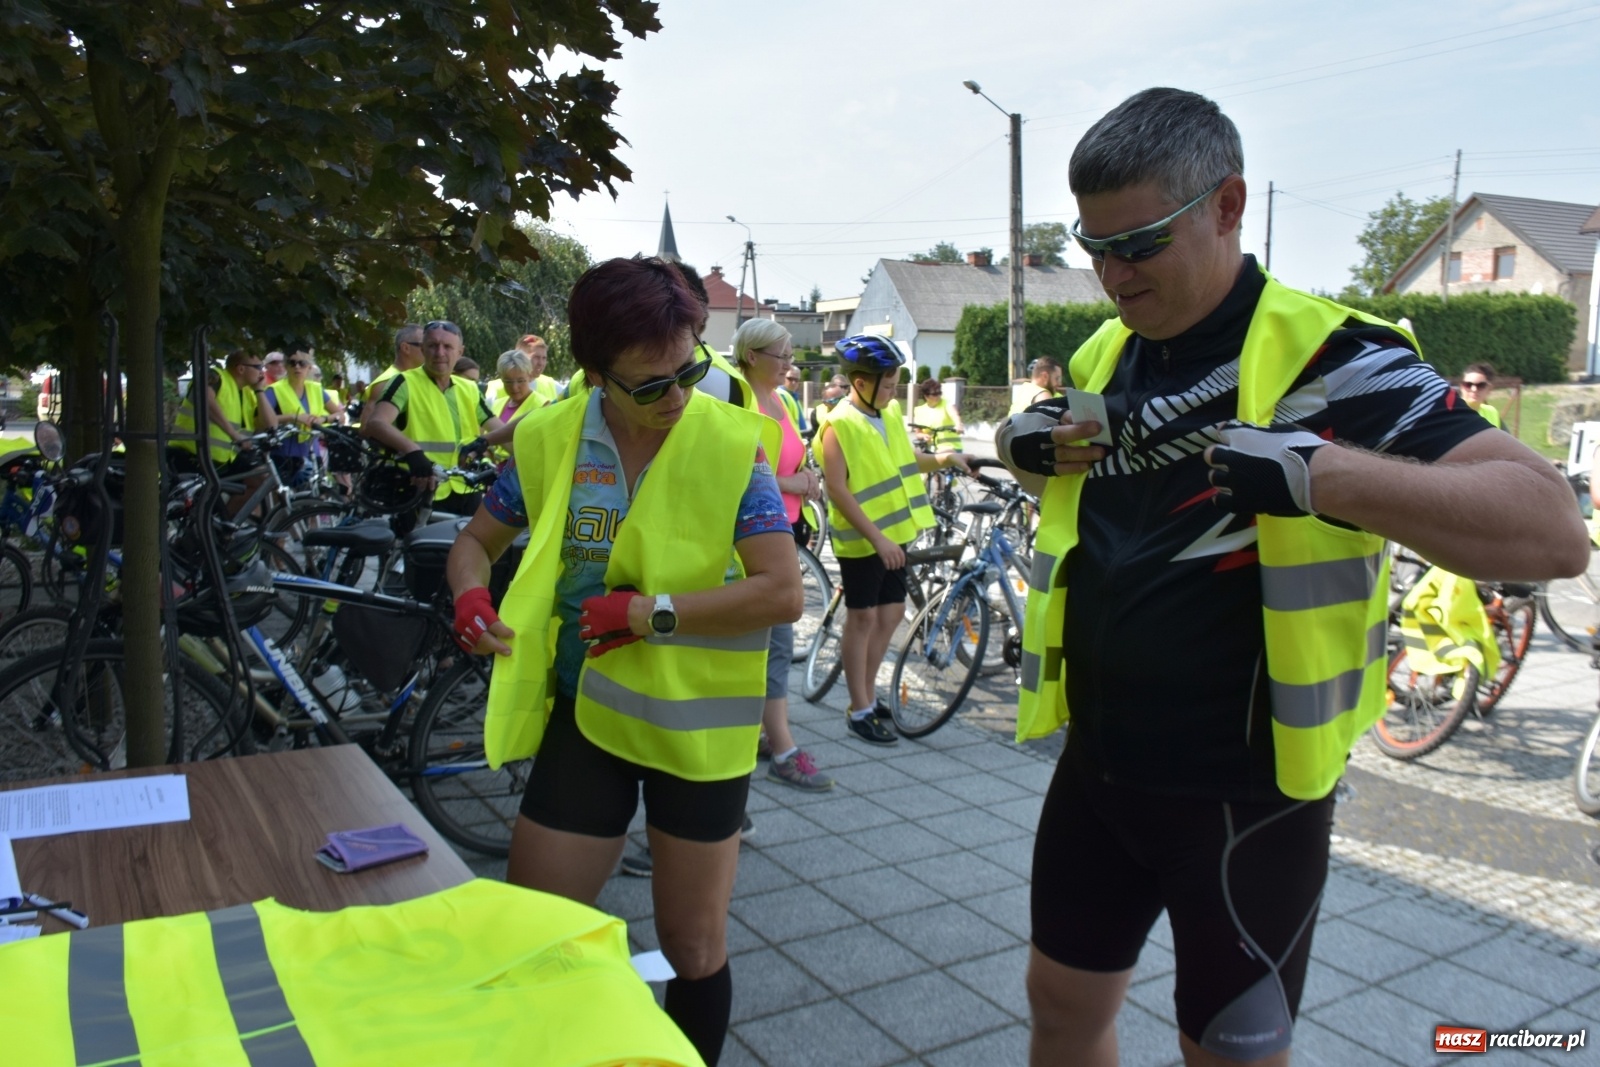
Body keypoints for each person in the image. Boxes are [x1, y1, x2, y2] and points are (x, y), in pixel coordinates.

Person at [997, 87, 1589, 1067]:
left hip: (1247, 803)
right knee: (1057, 1010)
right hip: (1095, 770)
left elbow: (1553, 530)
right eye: (1091, 245)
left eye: (1138, 242)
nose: (1111, 273)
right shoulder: (1109, 348)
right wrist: (1020, 441)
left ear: (1227, 205)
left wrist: (1325, 473)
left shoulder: (1335, 357)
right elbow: (1077, 479)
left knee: (1229, 1052)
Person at [445, 255, 802, 1067]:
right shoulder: (548, 439)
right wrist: (470, 597)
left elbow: (783, 593)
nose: (676, 398)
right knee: (532, 928)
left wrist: (650, 613)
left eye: (689, 370)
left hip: (696, 737)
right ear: (595, 373)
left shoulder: (725, 442)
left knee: (692, 944)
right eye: (648, 384)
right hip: (590, 716)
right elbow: (474, 542)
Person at [819, 335, 970, 745]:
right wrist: (877, 540)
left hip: (895, 535)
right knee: (863, 618)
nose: (892, 391)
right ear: (861, 383)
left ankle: (866, 697)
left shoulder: (886, 416)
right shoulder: (838, 425)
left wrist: (943, 458)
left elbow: (906, 460)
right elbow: (838, 490)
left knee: (890, 616)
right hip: (861, 541)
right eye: (887, 384)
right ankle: (859, 708)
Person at [732, 317, 833, 791]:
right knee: (771, 644)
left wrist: (806, 478)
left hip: (785, 531)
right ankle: (782, 746)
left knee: (774, 643)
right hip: (750, 546)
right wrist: (793, 483)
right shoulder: (740, 399)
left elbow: (788, 457)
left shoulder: (783, 400)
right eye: (783, 355)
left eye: (792, 354)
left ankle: (763, 734)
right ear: (751, 356)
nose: (791, 363)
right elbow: (736, 473)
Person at [361, 319, 503, 517]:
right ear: (423, 349)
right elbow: (376, 423)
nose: (440, 353)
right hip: (421, 487)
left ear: (460, 352)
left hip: (465, 486)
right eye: (433, 346)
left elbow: (499, 429)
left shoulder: (469, 388)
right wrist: (412, 451)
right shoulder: (404, 381)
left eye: (447, 346)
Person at [265, 350, 333, 486]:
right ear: (286, 366)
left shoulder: (316, 389)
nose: (297, 367)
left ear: (309, 367)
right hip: (283, 452)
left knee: (317, 497)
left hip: (312, 452)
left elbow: (339, 414)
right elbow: (262, 421)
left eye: (302, 363)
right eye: (292, 363)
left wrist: (322, 419)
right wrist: (292, 417)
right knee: (285, 499)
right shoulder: (274, 390)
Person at [366, 323, 424, 406]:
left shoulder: (420, 378)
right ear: (406, 348)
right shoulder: (386, 383)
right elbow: (369, 419)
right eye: (423, 345)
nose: (429, 350)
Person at [492, 348, 545, 426]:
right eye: (508, 382)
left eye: (520, 381)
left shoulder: (542, 405)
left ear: (530, 376)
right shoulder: (496, 404)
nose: (514, 387)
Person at [912, 377, 964, 452]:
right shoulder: (919, 410)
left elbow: (954, 415)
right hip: (931, 449)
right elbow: (918, 433)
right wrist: (924, 436)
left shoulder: (946, 403)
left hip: (952, 448)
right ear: (926, 396)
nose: (938, 396)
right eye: (935, 394)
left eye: (939, 393)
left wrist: (958, 424)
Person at [1459, 362, 1502, 428]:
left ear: (1489, 389)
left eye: (1480, 385)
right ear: (1461, 387)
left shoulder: (1492, 412)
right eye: (1468, 385)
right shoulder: (1449, 413)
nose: (1474, 389)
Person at [783, 367, 810, 434]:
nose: (793, 382)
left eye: (796, 380)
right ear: (783, 377)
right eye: (790, 379)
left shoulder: (794, 396)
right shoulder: (781, 395)